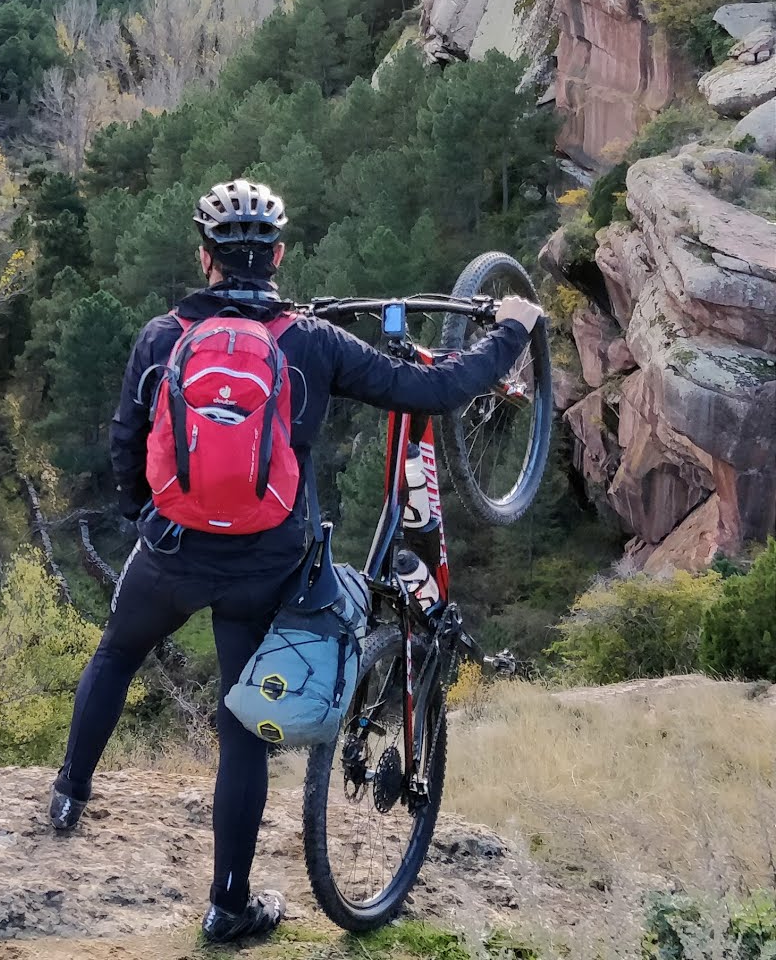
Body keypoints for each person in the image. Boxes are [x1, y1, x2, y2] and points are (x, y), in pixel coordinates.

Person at [47, 178, 542, 944]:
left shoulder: (161, 335)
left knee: (115, 655)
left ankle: (70, 797)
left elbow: (125, 443)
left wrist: (143, 520)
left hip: (170, 549)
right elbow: (432, 388)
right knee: (242, 724)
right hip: (265, 564)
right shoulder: (311, 342)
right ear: (278, 256)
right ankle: (228, 906)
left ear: (203, 256)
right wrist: (509, 332)